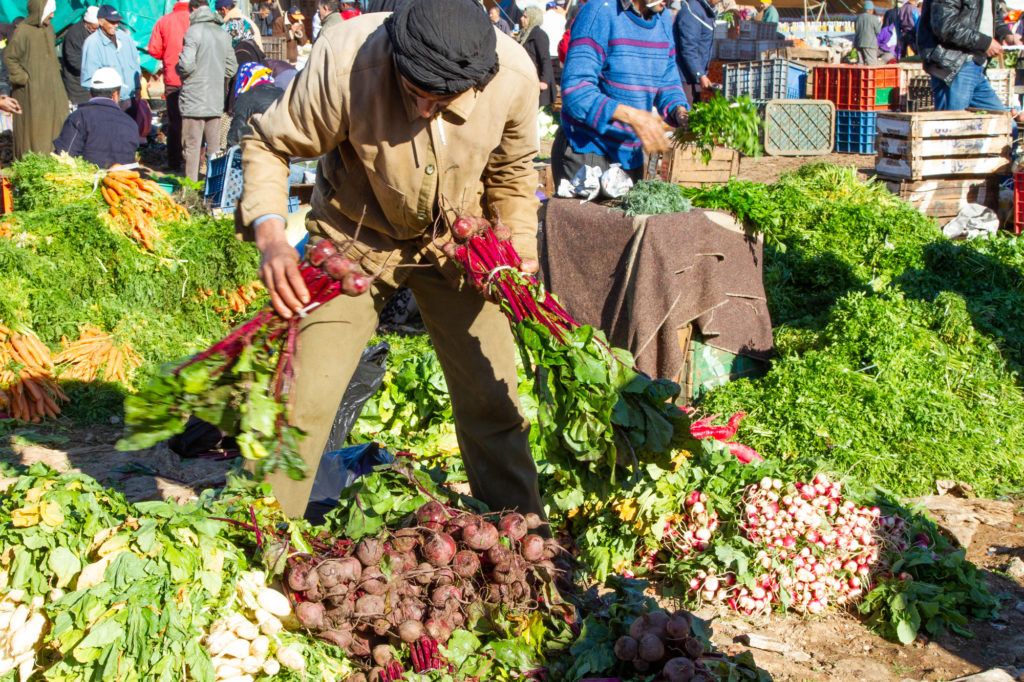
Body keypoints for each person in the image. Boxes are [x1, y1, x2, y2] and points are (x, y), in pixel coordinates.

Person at [238, 0, 545, 520]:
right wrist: (270, 235)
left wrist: (516, 257)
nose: (425, 110)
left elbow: (513, 175)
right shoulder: (345, 60)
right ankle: (256, 538)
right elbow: (269, 143)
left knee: (493, 400)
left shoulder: (513, 76)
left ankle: (523, 537)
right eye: (414, 94)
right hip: (352, 241)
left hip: (459, 247)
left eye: (441, 99)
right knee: (303, 400)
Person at [553, 0, 689, 184]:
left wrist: (679, 110)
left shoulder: (663, 18)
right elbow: (576, 92)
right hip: (588, 153)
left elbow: (667, 78)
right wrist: (633, 116)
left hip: (630, 155)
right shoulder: (600, 11)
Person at [919, 0, 1022, 110]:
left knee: (1004, 123)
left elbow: (993, 16)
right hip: (954, 66)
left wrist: (1006, 35)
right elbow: (945, 26)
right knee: (952, 123)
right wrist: (985, 43)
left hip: (977, 65)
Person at [177, 0, 238, 181]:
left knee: (192, 146)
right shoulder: (222, 33)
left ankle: (189, 189)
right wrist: (216, 75)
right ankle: (213, 190)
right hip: (215, 98)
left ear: (193, 9)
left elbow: (186, 65)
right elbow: (232, 68)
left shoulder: (193, 31)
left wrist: (185, 73)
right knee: (214, 149)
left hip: (194, 98)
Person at [5, 0, 68, 157]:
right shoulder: (22, 31)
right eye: (50, 11)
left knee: (57, 121)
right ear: (39, 10)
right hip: (31, 91)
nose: (53, 15)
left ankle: (54, 158)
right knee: (35, 128)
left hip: (53, 88)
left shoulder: (49, 29)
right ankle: (33, 162)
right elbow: (9, 58)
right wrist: (24, 79)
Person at [53, 66, 139, 167]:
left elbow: (64, 156)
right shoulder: (131, 123)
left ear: (90, 93)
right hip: (124, 181)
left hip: (88, 180)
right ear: (115, 95)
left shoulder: (79, 117)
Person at [149, 0, 196, 172]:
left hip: (173, 79)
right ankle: (196, 161)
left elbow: (153, 49)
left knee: (175, 122)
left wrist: (168, 54)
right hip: (195, 80)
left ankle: (174, 162)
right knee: (196, 121)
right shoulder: (196, 20)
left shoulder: (164, 21)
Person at [80, 5, 141, 102]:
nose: (116, 25)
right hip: (109, 102)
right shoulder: (92, 43)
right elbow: (89, 79)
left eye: (117, 21)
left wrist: (138, 89)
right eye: (112, 22)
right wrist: (104, 100)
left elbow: (136, 65)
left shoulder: (125, 38)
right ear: (100, 21)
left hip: (131, 99)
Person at [674, 0, 719, 107]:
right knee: (684, 115)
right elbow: (688, 48)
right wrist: (700, 74)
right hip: (684, 77)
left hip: (693, 77)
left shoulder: (705, 11)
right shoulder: (691, 11)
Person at [226, 62, 282, 146]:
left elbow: (237, 129)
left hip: (260, 148)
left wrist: (229, 147)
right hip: (286, 145)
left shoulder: (247, 96)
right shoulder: (282, 92)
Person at [60, 6, 99, 106]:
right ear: (87, 23)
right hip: (77, 82)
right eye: (94, 27)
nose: (96, 30)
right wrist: (94, 68)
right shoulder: (74, 34)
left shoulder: (97, 32)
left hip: (93, 81)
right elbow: (73, 60)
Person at [518, 7, 555, 107]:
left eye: (525, 17)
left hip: (538, 83)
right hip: (527, 80)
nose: (521, 18)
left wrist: (544, 81)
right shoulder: (523, 34)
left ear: (533, 18)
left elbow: (545, 59)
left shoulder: (539, 35)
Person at [541, 0, 567, 87]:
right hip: (557, 53)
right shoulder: (562, 18)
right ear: (555, 7)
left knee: (546, 77)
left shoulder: (542, 17)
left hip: (546, 52)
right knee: (558, 79)